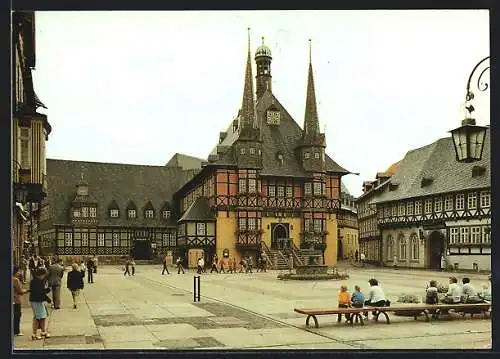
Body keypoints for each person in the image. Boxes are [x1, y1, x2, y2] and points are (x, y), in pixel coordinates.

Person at [29, 267, 52, 340]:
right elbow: (41, 292)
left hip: (36, 300)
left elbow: (40, 291)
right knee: (38, 317)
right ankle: (34, 334)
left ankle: (43, 332)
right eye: (44, 275)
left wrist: (46, 291)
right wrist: (47, 295)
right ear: (40, 274)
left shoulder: (35, 281)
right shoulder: (38, 282)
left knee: (42, 316)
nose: (44, 277)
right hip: (37, 301)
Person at [13, 265, 29, 336]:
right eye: (18, 271)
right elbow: (20, 291)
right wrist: (27, 290)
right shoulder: (15, 280)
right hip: (15, 300)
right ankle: (16, 331)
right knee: (17, 315)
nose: (19, 273)